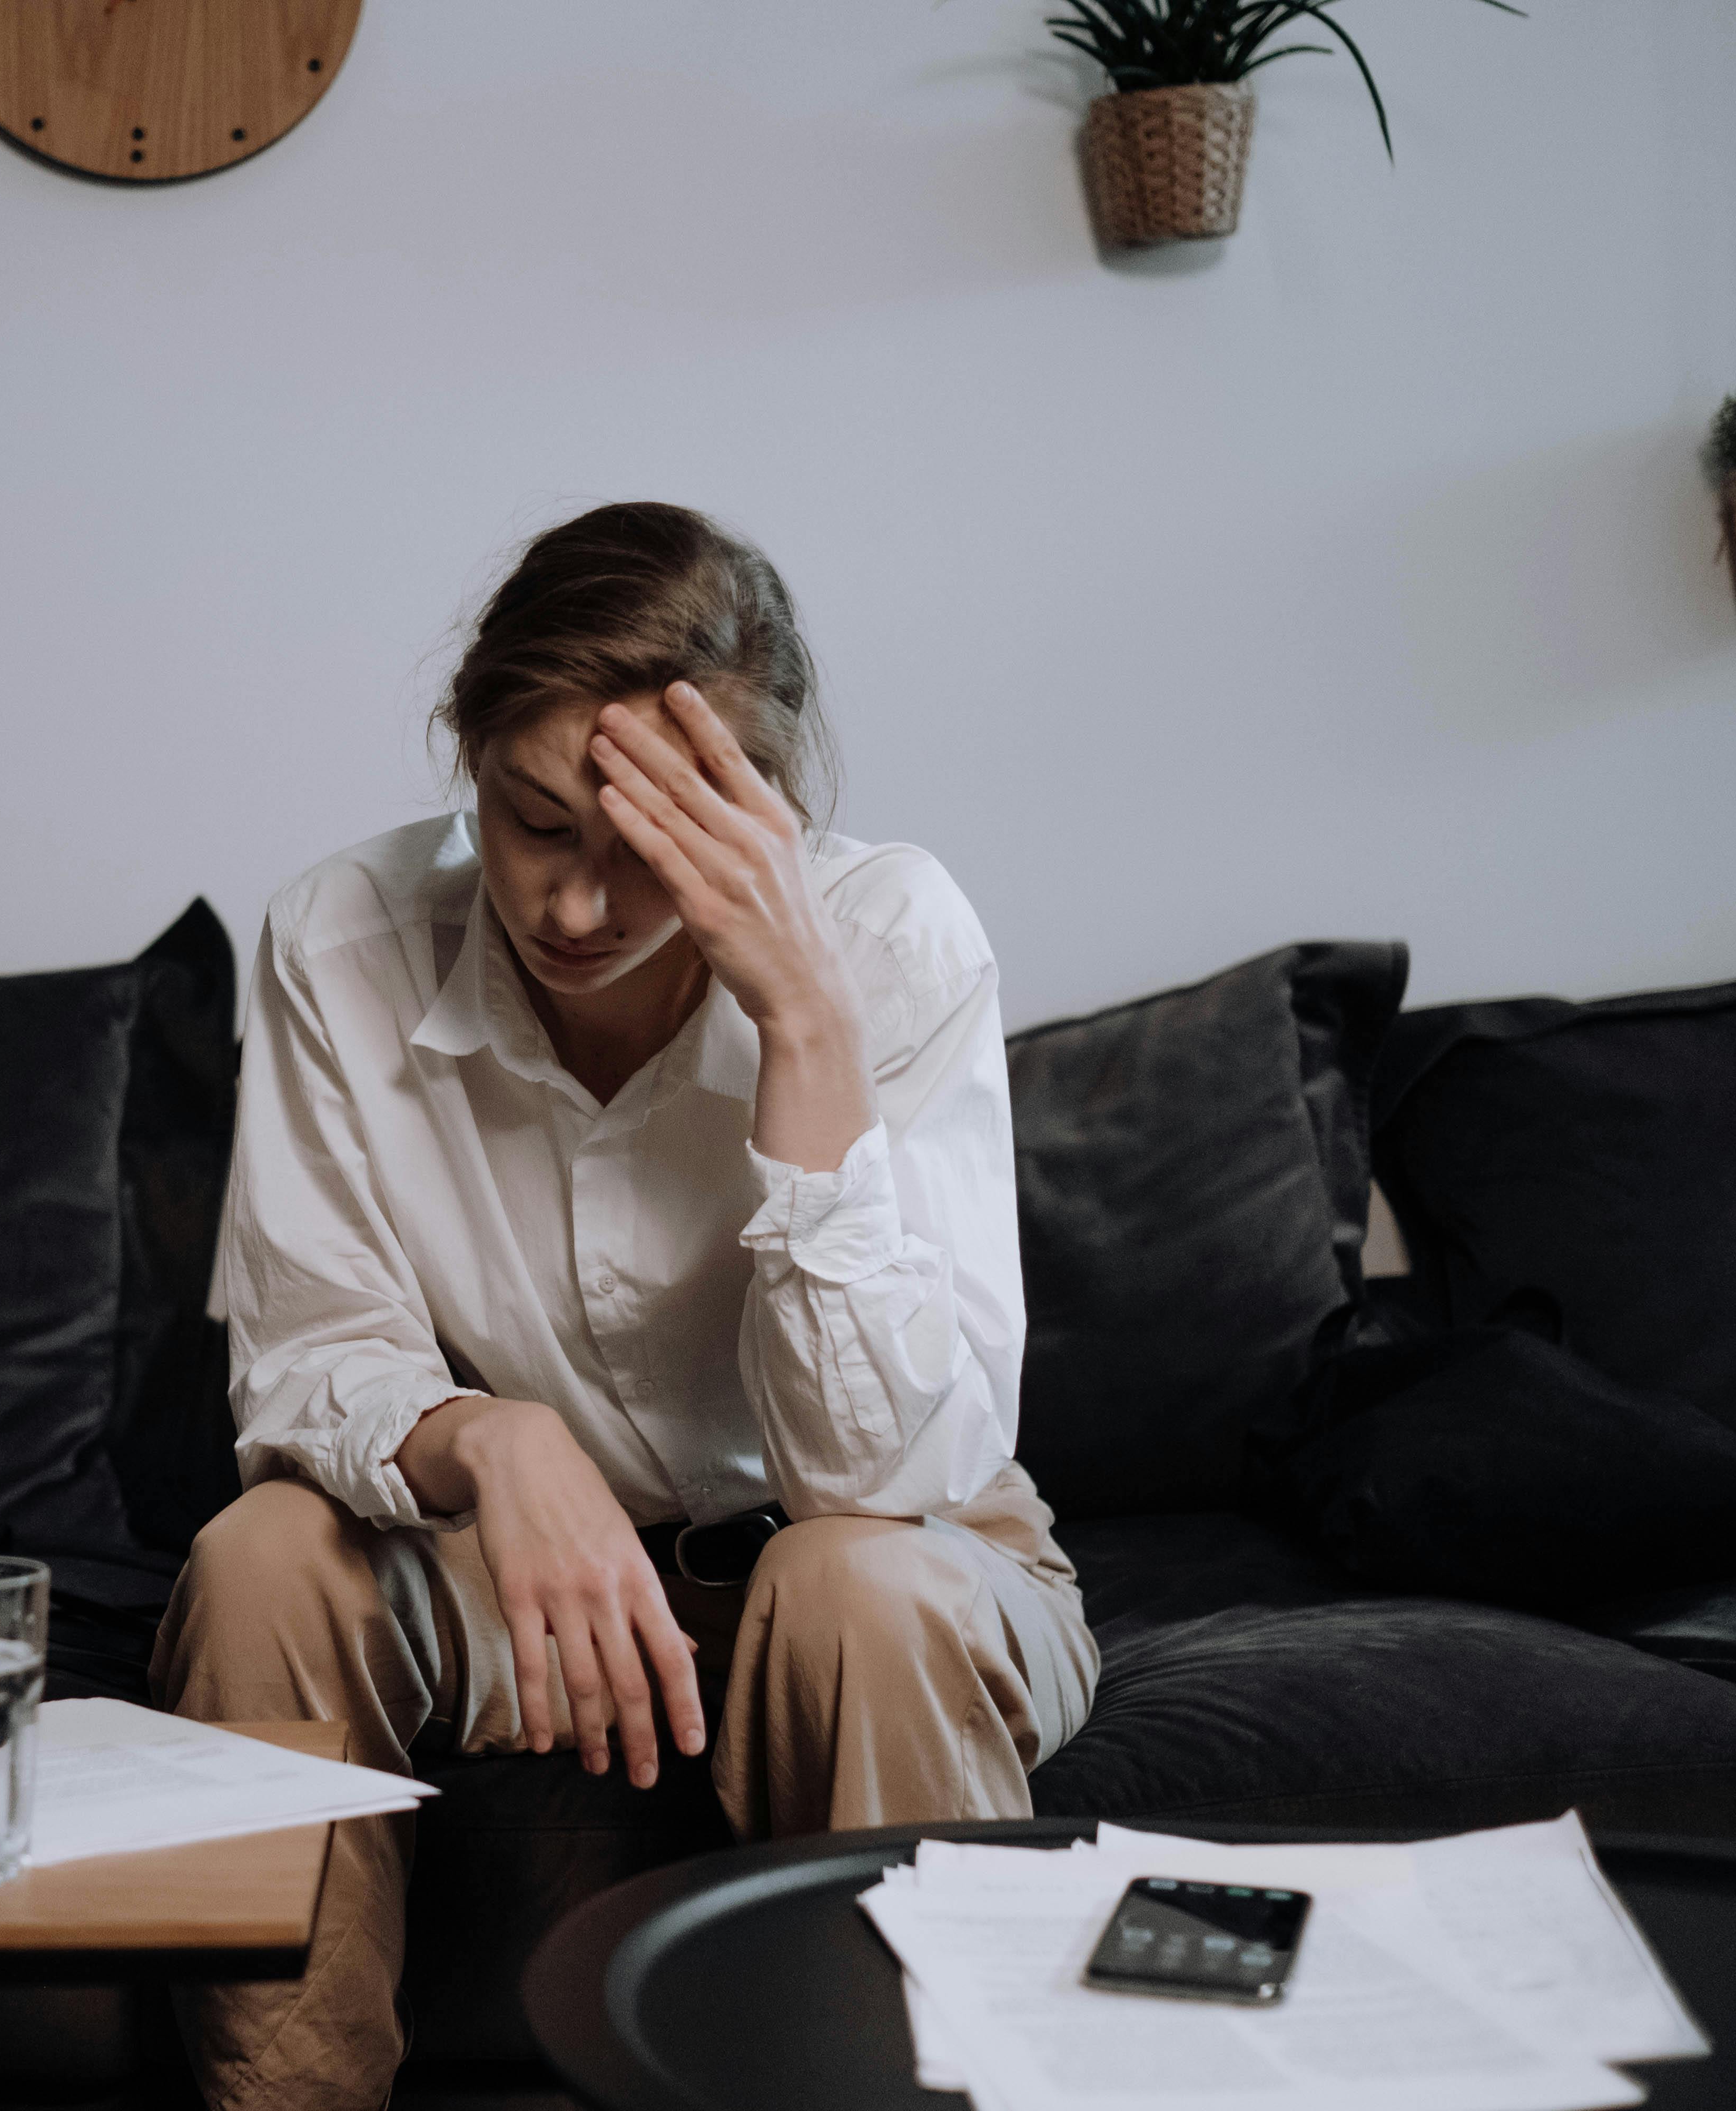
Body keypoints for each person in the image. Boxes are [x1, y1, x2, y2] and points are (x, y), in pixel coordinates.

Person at [150, 501, 1097, 2110]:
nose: (575, 911)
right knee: (259, 1562)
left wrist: (801, 1022)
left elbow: (883, 1481)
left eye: (645, 856)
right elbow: (312, 1356)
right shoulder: (341, 935)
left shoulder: (886, 937)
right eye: (534, 824)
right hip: (524, 1587)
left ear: (764, 816)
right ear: (465, 750)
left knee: (849, 1584)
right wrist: (496, 1445)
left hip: (888, 1561)